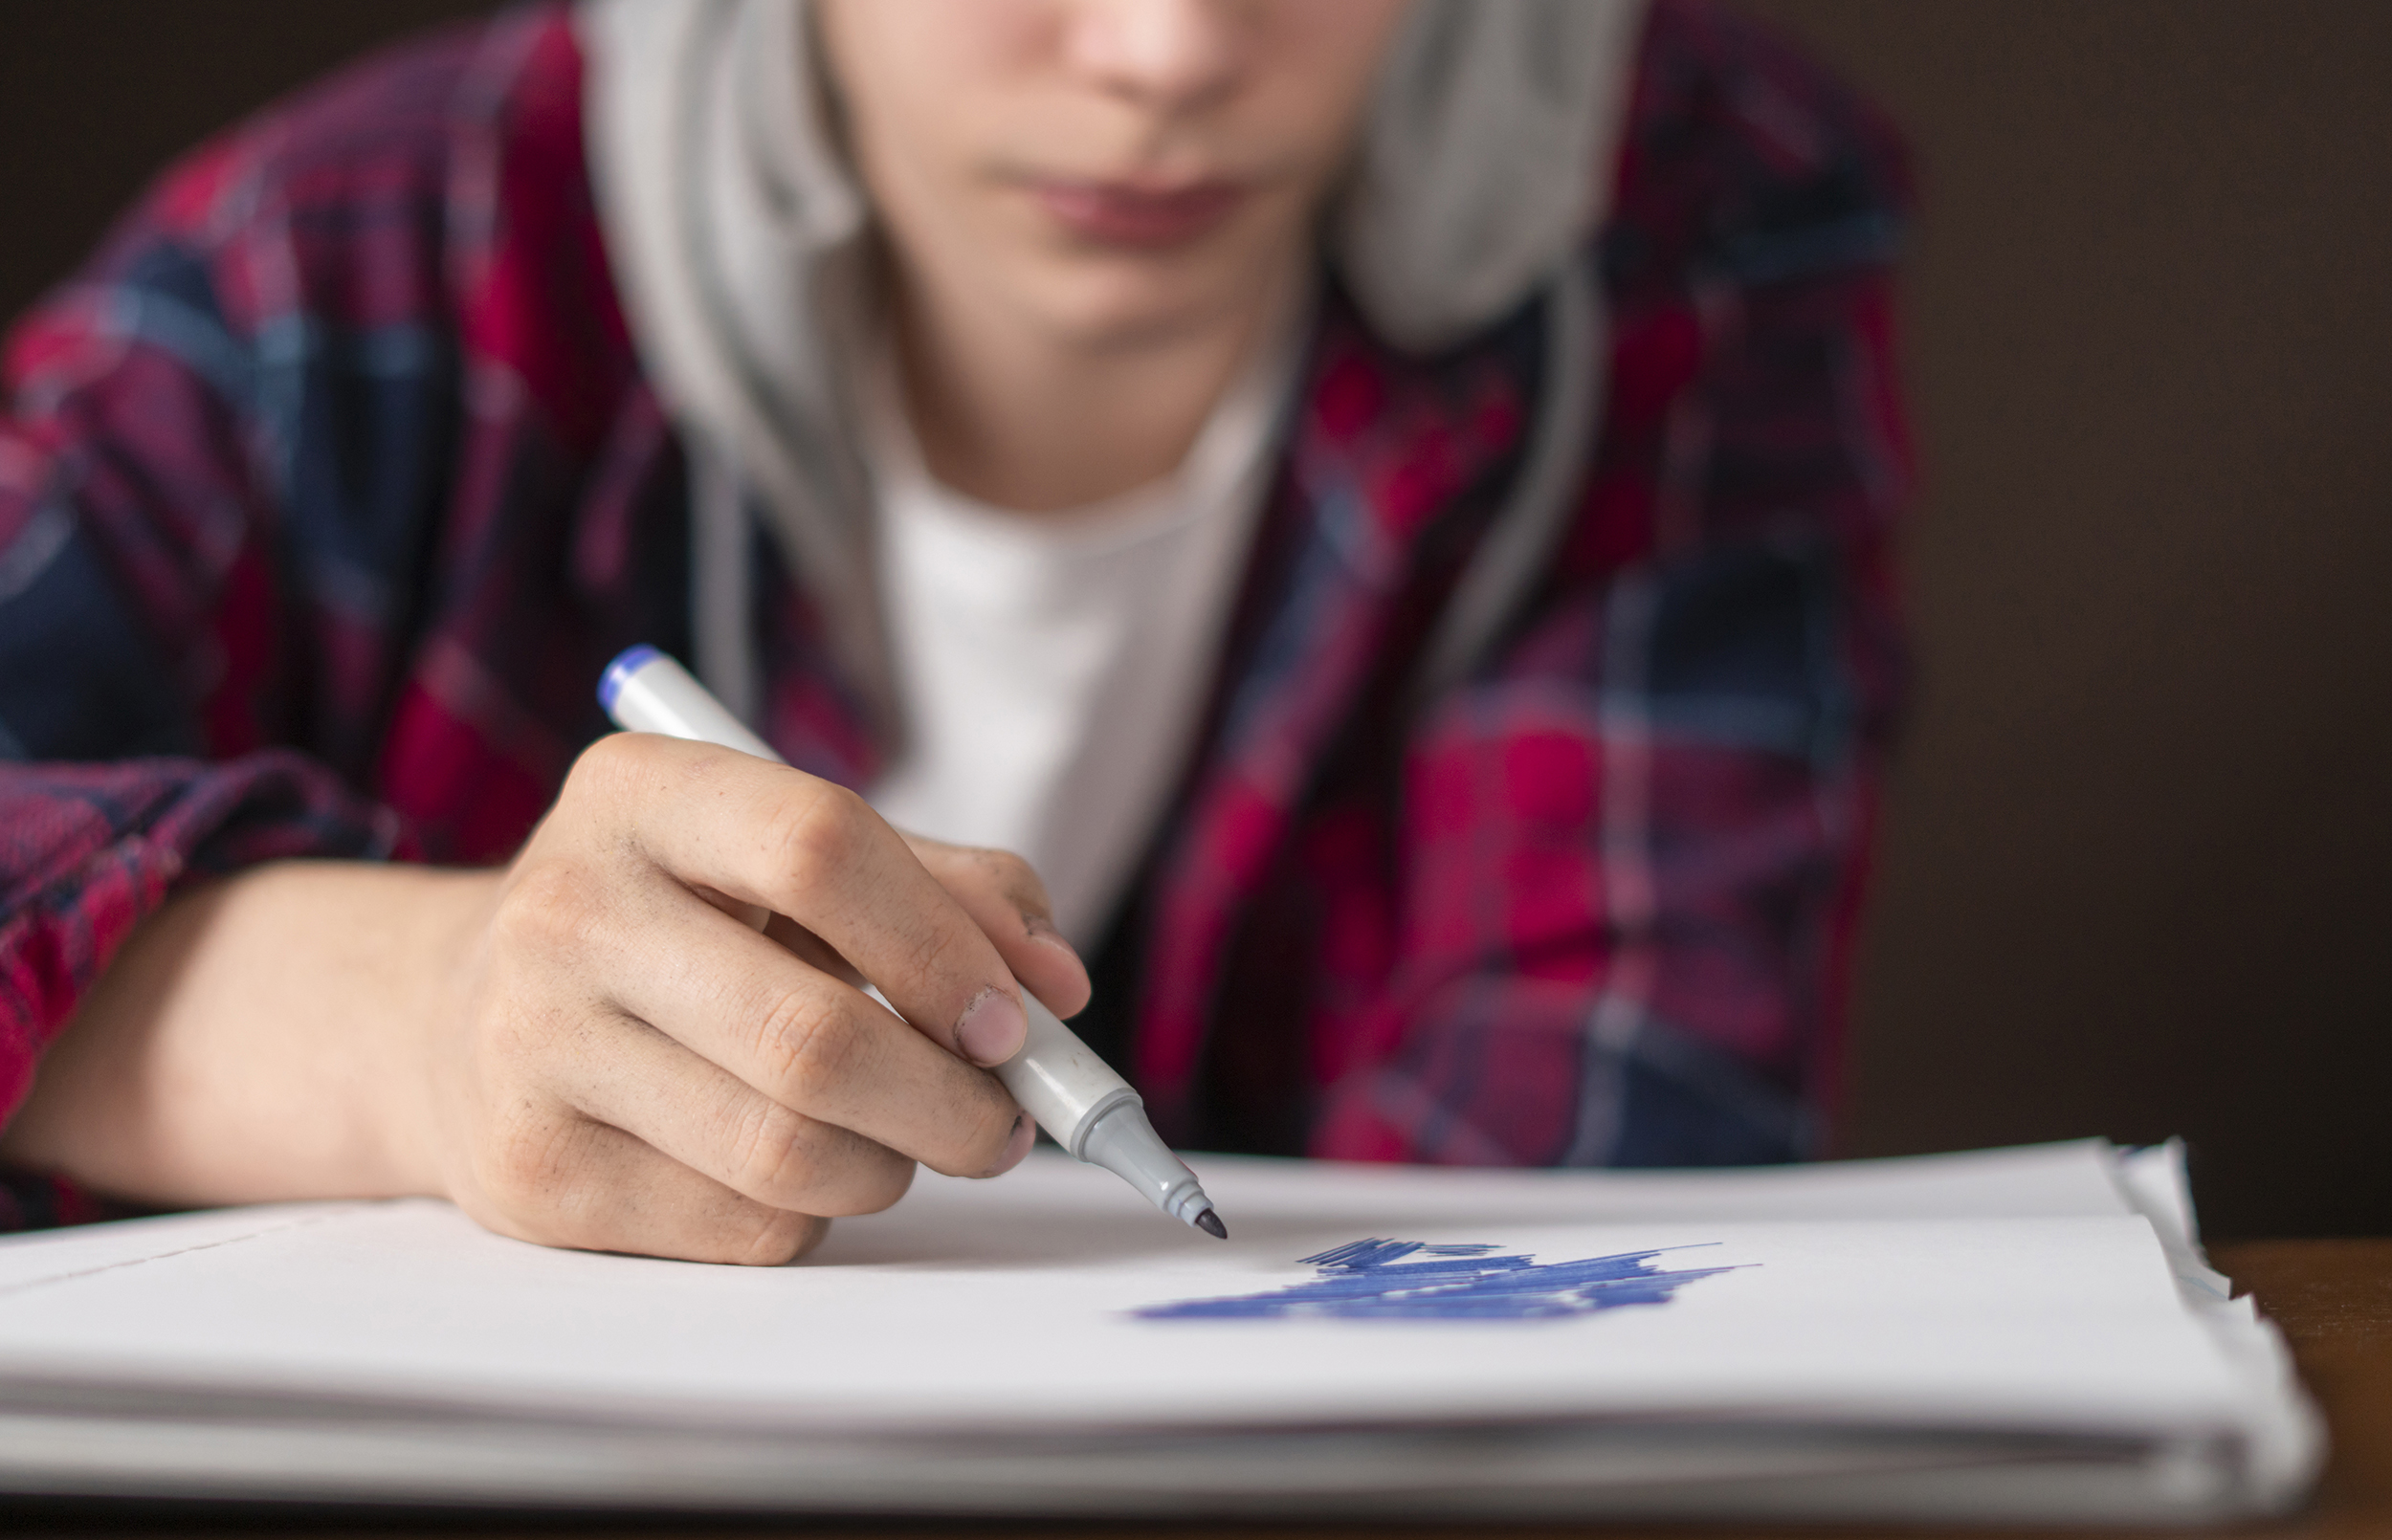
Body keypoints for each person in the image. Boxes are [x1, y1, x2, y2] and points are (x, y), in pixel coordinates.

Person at [0, 0, 1911, 1261]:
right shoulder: (338, 271)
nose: (1165, 51)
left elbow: (1621, 1160)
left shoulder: (1677, 233)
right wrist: (420, 1028)